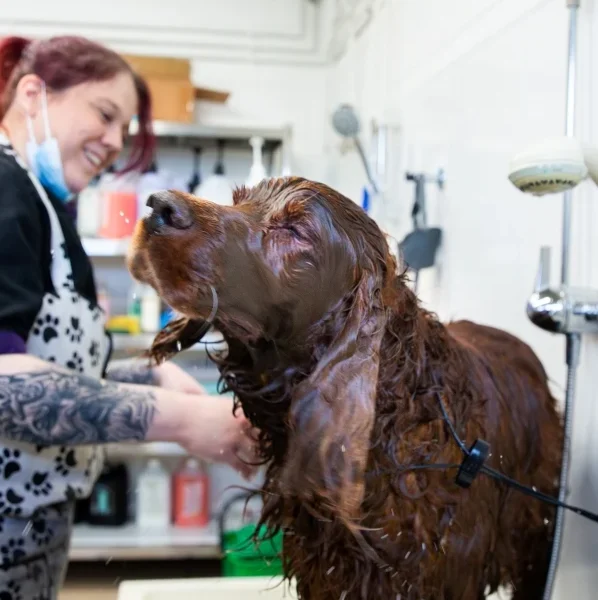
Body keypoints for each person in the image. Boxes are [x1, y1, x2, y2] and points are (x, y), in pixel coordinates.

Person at [0, 35, 258, 599]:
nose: (115, 142)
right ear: (33, 93)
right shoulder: (4, 191)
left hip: (33, 528)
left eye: (125, 130)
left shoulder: (46, 207)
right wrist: (183, 422)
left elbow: (46, 367)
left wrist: (154, 377)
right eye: (105, 113)